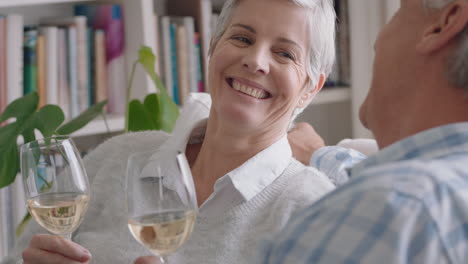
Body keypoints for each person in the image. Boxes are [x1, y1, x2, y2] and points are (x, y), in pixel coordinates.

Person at [4, 0, 338, 263]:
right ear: (212, 46)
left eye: (284, 53)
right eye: (242, 38)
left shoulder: (316, 212)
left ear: (311, 87)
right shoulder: (117, 157)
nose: (256, 61)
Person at [259, 0, 468, 263]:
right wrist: (319, 153)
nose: (257, 63)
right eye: (243, 38)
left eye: (399, 10)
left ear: (444, 24)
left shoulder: (390, 213)